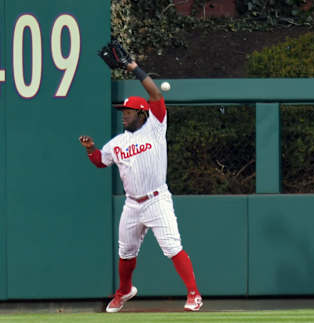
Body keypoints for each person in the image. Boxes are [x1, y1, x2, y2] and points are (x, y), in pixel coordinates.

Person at [79, 57, 202, 313]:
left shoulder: (156, 127)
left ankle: (194, 294)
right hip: (132, 204)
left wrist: (134, 68)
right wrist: (91, 150)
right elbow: (101, 162)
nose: (123, 116)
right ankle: (124, 291)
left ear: (142, 113)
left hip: (157, 199)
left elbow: (155, 93)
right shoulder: (117, 143)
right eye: (122, 112)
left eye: (128, 112)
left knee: (172, 246)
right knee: (126, 252)